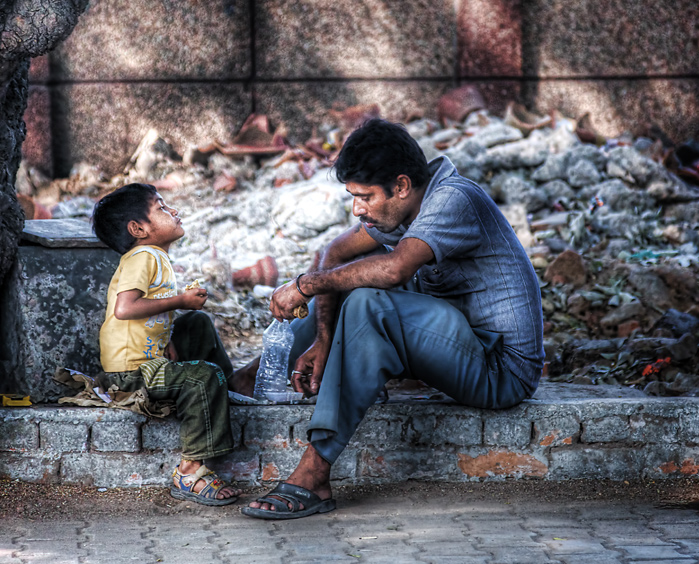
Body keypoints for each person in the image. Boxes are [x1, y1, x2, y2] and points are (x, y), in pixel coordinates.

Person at [242, 119, 544, 520]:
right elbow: (335, 253)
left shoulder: (454, 199)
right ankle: (239, 384)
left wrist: (305, 284)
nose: (357, 208)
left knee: (368, 300)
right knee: (337, 286)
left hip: (501, 371)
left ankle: (314, 474)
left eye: (365, 196)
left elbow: (394, 271)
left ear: (401, 186)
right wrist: (324, 340)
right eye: (353, 196)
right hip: (457, 345)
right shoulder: (404, 205)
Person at [92, 182, 245, 506]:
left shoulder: (156, 256)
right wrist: (180, 300)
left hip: (151, 359)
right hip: (131, 373)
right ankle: (190, 472)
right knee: (204, 376)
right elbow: (125, 309)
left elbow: (152, 318)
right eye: (162, 208)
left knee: (197, 324)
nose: (174, 211)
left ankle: (229, 386)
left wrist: (171, 333)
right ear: (138, 229)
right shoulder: (143, 257)